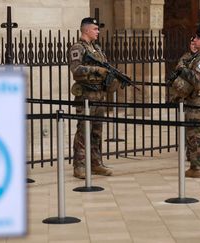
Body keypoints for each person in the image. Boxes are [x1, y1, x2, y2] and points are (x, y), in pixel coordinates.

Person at [68, 17, 122, 179]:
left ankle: (96, 163)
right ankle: (80, 166)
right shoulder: (78, 48)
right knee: (84, 131)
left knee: (97, 132)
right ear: (86, 30)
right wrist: (97, 71)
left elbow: (104, 67)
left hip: (100, 95)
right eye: (95, 29)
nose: (98, 32)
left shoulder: (97, 49)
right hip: (86, 95)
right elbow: (76, 69)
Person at [171, 26, 200, 178]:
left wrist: (181, 69)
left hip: (198, 100)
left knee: (195, 134)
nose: (195, 40)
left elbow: (195, 77)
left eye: (198, 38)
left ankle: (196, 167)